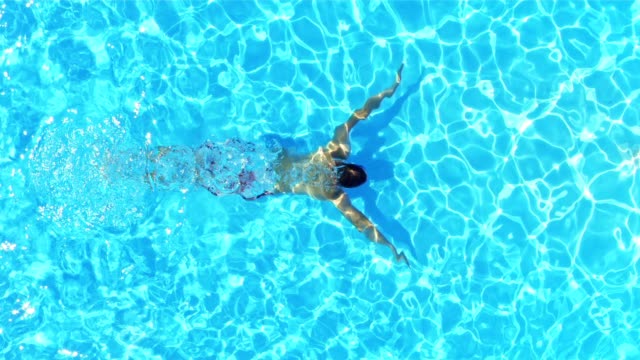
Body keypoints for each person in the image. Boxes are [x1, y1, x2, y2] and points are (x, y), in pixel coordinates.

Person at [149, 65, 409, 266]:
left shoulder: (333, 152)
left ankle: (155, 155)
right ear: (347, 185)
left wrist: (391, 90)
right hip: (261, 185)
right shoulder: (335, 195)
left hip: (262, 157)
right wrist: (391, 249)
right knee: (202, 178)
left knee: (205, 158)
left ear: (348, 163)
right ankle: (153, 177)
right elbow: (364, 224)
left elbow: (359, 115)